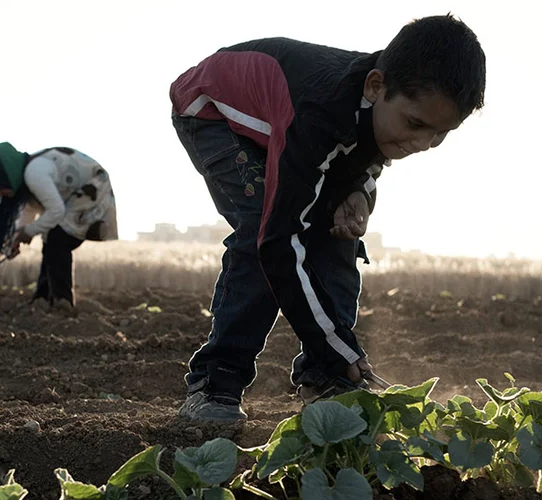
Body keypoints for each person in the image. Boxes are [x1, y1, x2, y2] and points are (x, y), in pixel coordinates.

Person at [169, 15, 487, 422]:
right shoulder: (320, 112)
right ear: (376, 86)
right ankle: (215, 383)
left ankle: (325, 380)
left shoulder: (380, 108)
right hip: (213, 112)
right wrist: (337, 345)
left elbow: (364, 156)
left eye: (439, 134)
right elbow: (279, 243)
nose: (422, 144)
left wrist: (359, 193)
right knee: (261, 229)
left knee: (339, 231)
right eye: (416, 125)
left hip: (287, 128)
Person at [0, 142, 118, 311]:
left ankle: (62, 302)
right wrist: (18, 237)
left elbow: (57, 211)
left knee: (57, 240)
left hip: (92, 191)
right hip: (76, 197)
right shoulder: (28, 174)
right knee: (51, 239)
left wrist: (28, 232)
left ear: (6, 176)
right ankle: (43, 298)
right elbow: (29, 210)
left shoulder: (34, 173)